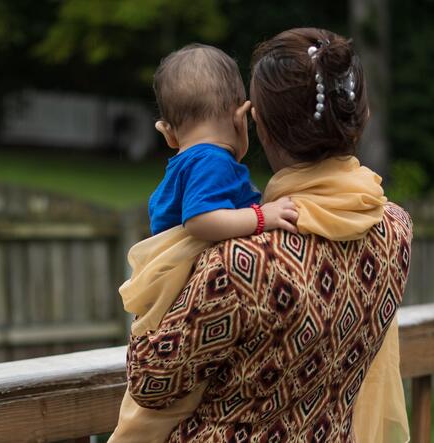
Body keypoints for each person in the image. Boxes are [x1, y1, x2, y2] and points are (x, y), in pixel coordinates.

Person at [122, 27, 412, 442]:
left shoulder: (241, 262)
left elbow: (150, 379)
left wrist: (157, 277)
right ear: (361, 116)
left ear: (258, 126)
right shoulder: (395, 229)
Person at [109, 44, 297, 443]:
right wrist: (264, 217)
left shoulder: (191, 160)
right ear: (240, 115)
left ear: (168, 133)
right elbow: (200, 220)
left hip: (173, 296)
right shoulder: (210, 159)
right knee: (160, 413)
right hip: (180, 292)